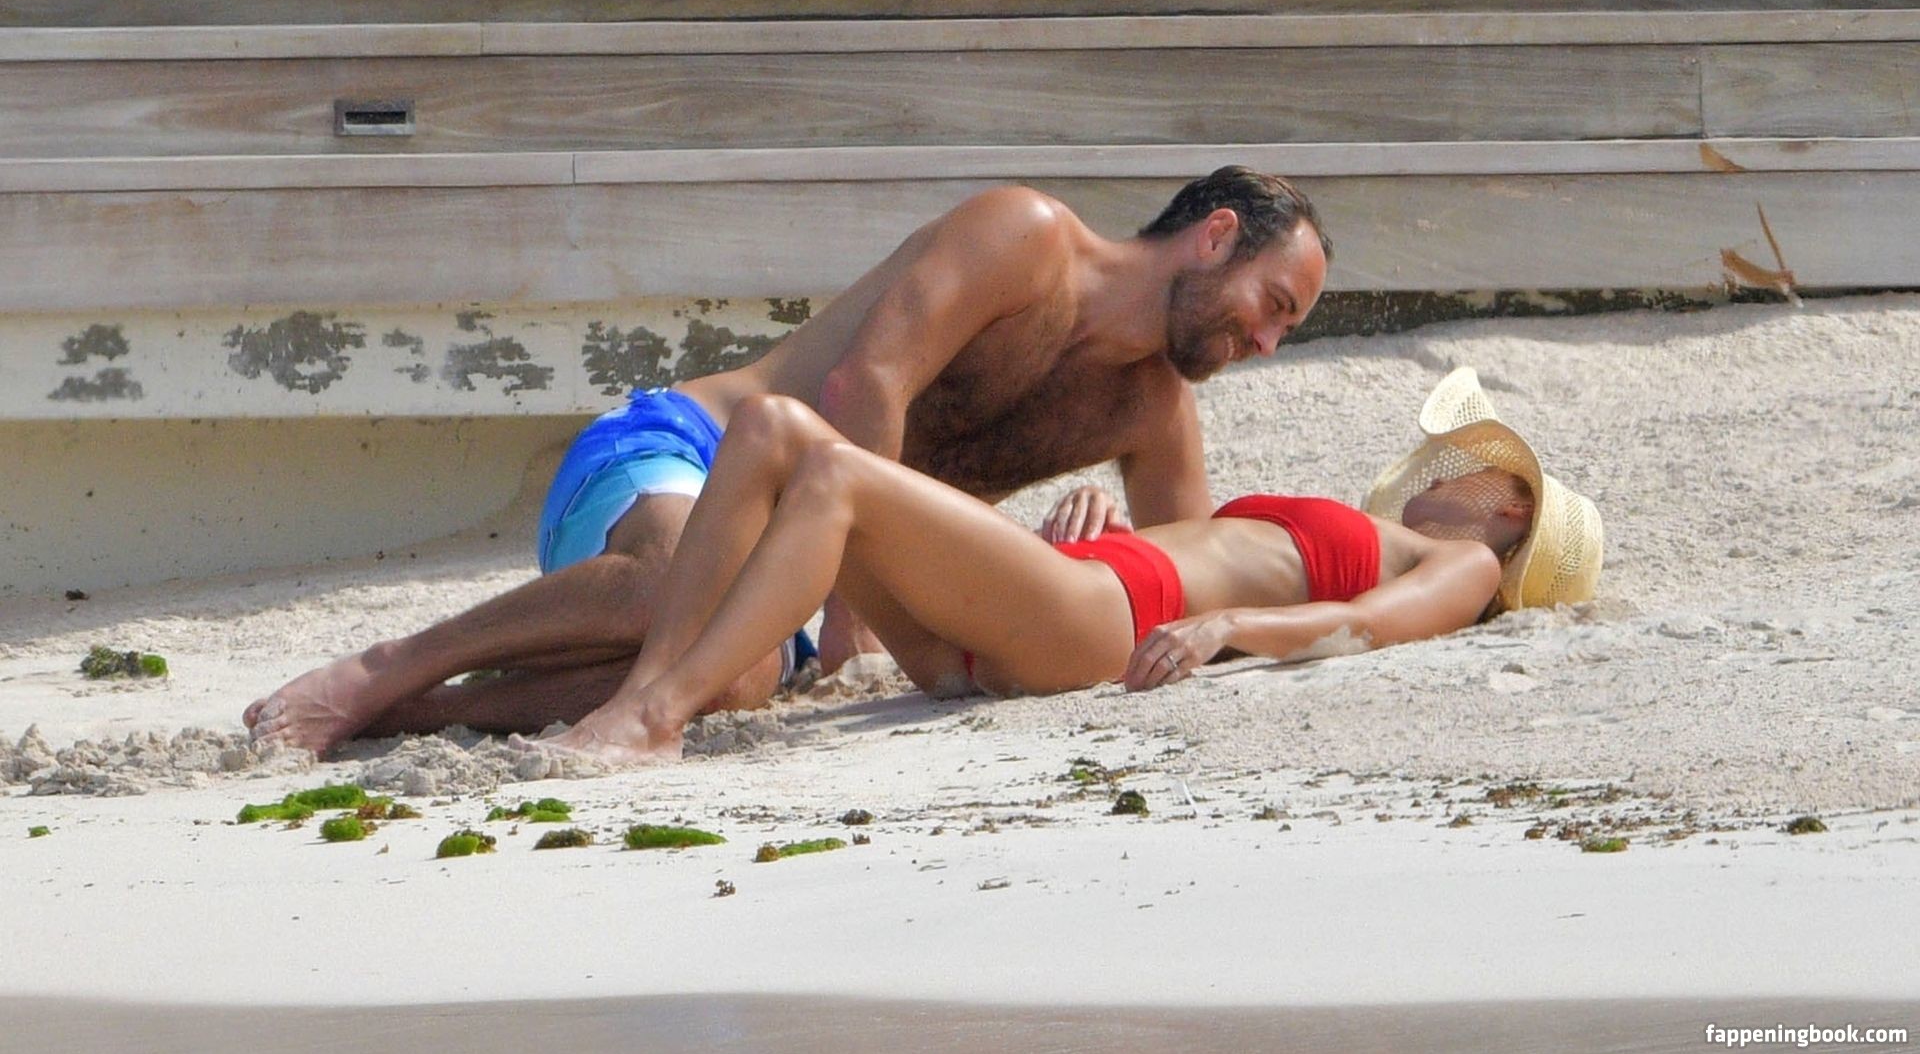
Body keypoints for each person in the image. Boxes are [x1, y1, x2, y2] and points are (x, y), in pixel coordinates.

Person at [245, 167, 1332, 753]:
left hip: (805, 557)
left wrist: (1101, 538)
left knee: (741, 674)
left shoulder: (1155, 409)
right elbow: (867, 385)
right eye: (1273, 304)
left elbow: (1179, 583)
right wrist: (859, 620)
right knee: (683, 591)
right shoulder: (1030, 237)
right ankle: (386, 667)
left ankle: (409, 716)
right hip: (689, 448)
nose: (1268, 341)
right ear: (1213, 236)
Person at [515, 366, 1604, 765]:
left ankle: (654, 713)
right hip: (1070, 601)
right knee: (772, 429)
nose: (1444, 473)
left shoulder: (1463, 562)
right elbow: (1212, 552)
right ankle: (646, 692)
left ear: (1508, 510)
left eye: (1471, 471)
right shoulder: (1396, 534)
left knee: (830, 470)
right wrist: (1086, 542)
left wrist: (1232, 631)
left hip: (1105, 620)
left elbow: (1373, 627)